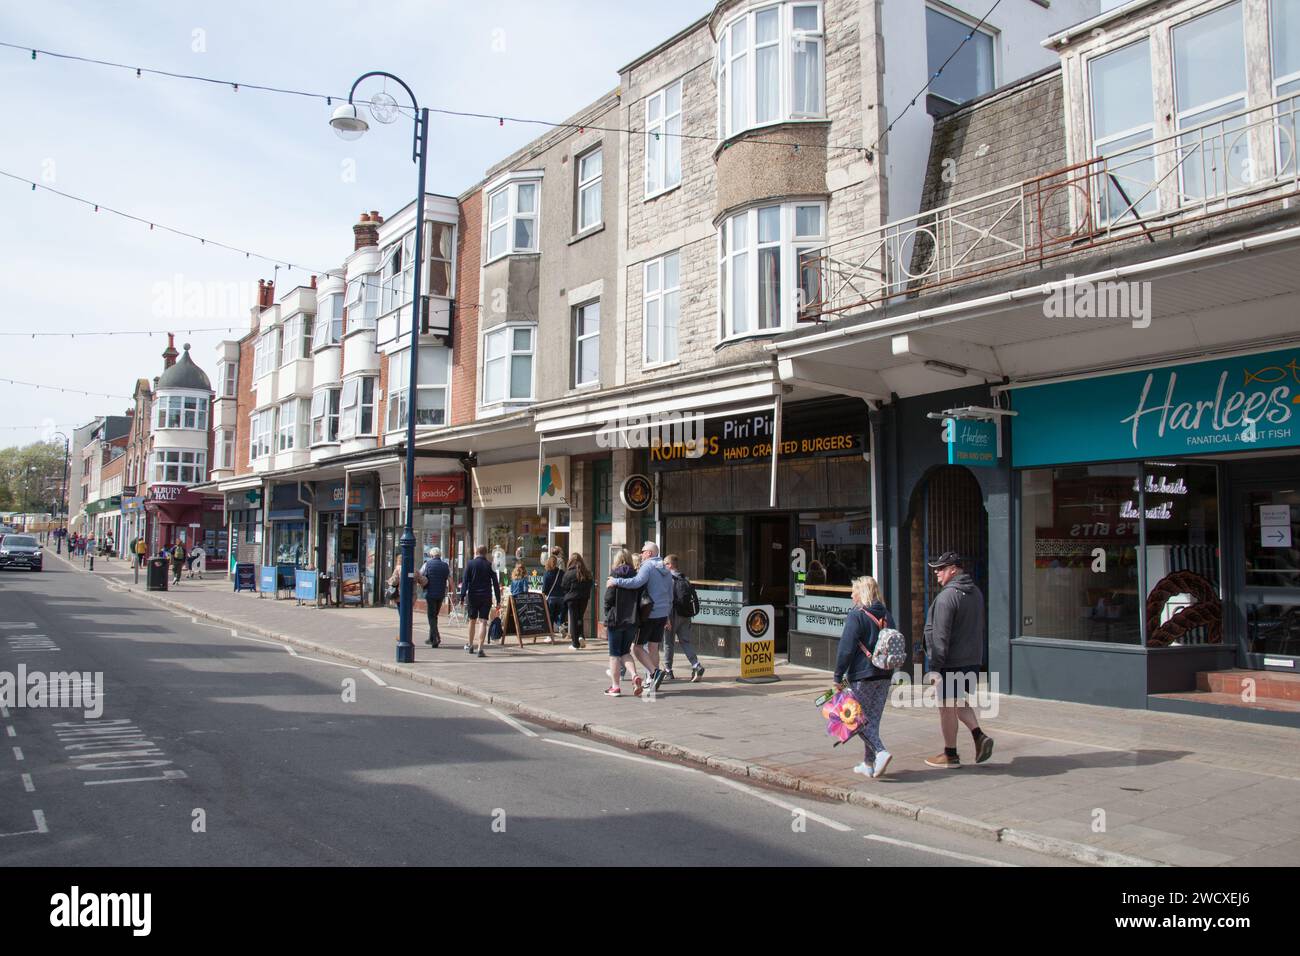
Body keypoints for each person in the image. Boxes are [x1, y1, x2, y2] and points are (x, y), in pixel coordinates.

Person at [922, 551, 994, 769]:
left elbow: (940, 635)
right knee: (958, 701)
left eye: (941, 568)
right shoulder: (976, 593)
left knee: (945, 706)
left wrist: (935, 668)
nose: (936, 572)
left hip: (951, 661)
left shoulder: (947, 597)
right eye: (936, 568)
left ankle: (950, 755)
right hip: (971, 660)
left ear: (953, 569)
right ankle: (979, 736)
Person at [833, 576, 896, 779]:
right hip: (885, 674)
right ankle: (868, 764)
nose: (851, 595)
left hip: (862, 674)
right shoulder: (887, 614)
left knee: (854, 720)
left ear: (863, 593)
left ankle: (880, 752)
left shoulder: (856, 615)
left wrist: (837, 675)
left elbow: (846, 649)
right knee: (872, 720)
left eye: (854, 591)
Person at [607, 540, 674, 695]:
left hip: (650, 612)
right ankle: (652, 680)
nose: (642, 553)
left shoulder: (648, 566)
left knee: (636, 648)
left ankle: (654, 672)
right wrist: (668, 615)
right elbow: (670, 595)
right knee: (654, 647)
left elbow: (636, 582)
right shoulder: (665, 568)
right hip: (663, 613)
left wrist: (615, 581)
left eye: (643, 551)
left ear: (649, 553)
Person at [603, 549, 643, 696]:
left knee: (614, 655)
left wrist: (607, 614)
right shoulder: (637, 576)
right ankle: (634, 675)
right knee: (625, 652)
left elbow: (608, 599)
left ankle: (615, 687)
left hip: (616, 620)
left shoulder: (614, 576)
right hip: (632, 620)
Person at [663, 554, 705, 682]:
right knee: (685, 641)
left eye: (665, 564)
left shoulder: (667, 579)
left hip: (672, 614)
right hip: (686, 615)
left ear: (670, 565)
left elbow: (667, 599)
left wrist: (666, 618)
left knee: (668, 643)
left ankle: (668, 671)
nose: (663, 566)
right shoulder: (684, 578)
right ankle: (696, 665)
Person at [460, 545, 502, 658]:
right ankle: (480, 648)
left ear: (476, 552)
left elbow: (465, 582)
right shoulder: (490, 565)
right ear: (486, 553)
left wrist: (462, 596)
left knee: (472, 620)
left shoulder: (470, 564)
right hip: (486, 596)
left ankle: (470, 645)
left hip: (473, 596)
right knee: (483, 621)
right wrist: (498, 599)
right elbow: (496, 584)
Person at [560, 553, 593, 651]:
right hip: (584, 598)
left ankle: (575, 644)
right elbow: (590, 584)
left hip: (572, 599)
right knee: (579, 618)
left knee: (573, 620)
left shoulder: (569, 573)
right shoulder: (586, 572)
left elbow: (564, 586)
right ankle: (581, 636)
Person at [420, 547, 451, 647]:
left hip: (430, 593)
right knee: (435, 615)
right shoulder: (445, 565)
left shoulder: (427, 564)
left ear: (431, 555)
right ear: (440, 555)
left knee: (431, 616)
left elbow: (420, 576)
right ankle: (431, 638)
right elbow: (450, 580)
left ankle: (436, 638)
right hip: (441, 594)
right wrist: (454, 593)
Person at [541, 554, 564, 640]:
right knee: (557, 614)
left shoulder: (547, 573)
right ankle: (560, 626)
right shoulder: (561, 573)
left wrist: (544, 594)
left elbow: (544, 588)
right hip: (561, 597)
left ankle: (550, 635)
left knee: (550, 616)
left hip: (551, 598)